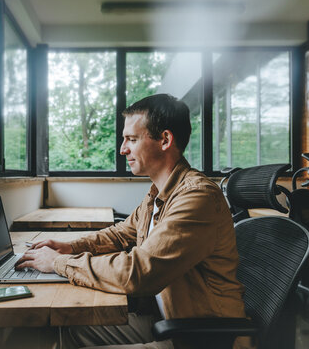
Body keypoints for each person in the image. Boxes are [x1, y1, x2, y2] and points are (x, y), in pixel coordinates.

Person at [15, 94, 247, 348]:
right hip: (166, 319)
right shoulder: (158, 193)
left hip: (201, 337)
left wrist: (59, 263)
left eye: (132, 140)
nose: (122, 149)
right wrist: (70, 247)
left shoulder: (196, 197)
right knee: (71, 332)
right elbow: (121, 234)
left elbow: (138, 272)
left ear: (165, 140)